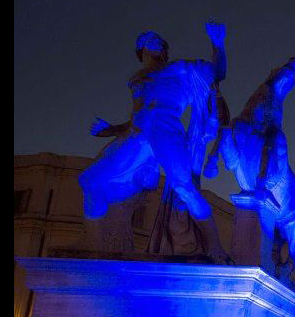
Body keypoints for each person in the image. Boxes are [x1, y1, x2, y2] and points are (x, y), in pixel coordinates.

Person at [80, 22, 232, 262]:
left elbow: (217, 72)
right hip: (138, 134)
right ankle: (92, 247)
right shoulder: (137, 79)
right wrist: (109, 130)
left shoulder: (180, 70)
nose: (158, 43)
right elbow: (134, 118)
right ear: (142, 49)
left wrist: (218, 44)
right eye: (152, 40)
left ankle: (214, 247)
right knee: (90, 180)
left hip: (165, 128)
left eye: (160, 42)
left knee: (184, 186)